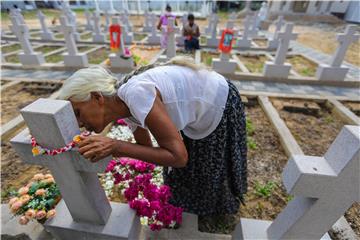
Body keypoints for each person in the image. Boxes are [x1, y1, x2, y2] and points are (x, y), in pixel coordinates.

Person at [58, 57, 247, 230]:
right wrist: (122, 156)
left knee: (208, 165)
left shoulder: (136, 94)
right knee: (188, 167)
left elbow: (178, 157)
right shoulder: (124, 105)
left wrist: (116, 146)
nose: (79, 123)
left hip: (217, 99)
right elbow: (147, 149)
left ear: (97, 97)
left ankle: (216, 213)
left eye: (77, 112)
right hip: (199, 102)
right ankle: (195, 209)